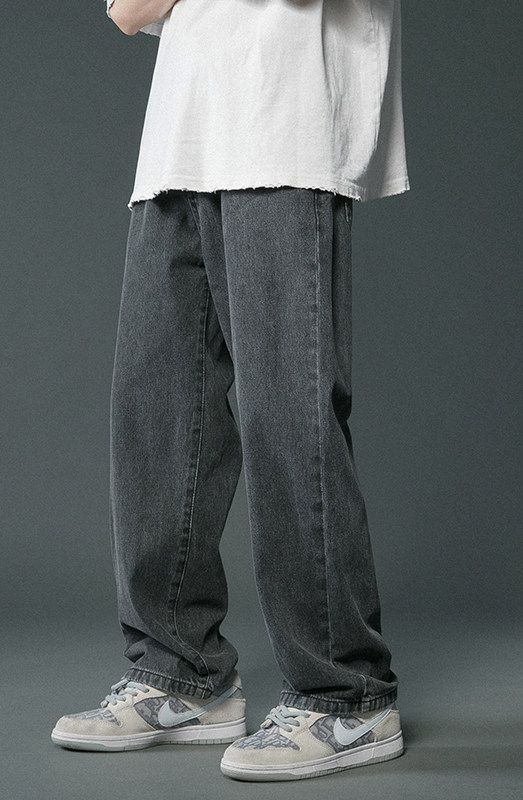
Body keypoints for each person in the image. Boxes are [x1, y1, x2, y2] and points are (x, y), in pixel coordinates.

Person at [51, 0, 409, 781]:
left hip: (287, 128)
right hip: (180, 143)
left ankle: (346, 695)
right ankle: (180, 673)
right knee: (155, 415)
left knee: (288, 413)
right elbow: (127, 9)